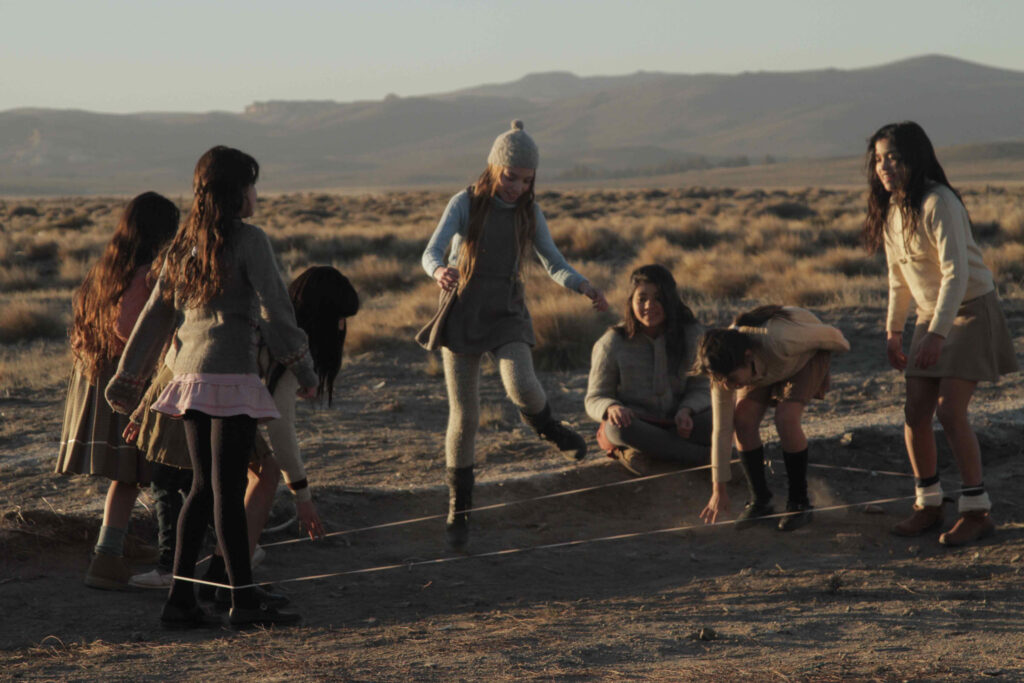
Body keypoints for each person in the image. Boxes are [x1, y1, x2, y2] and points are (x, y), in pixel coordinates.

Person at [106, 145, 318, 629]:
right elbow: (277, 313)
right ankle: (242, 602)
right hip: (231, 378)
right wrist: (304, 370)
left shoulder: (182, 246)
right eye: (251, 185)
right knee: (223, 490)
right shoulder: (250, 241)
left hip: (188, 379)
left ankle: (181, 601)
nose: (255, 194)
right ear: (236, 192)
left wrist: (127, 381)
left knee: (203, 488)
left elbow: (157, 317)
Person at [419, 120, 609, 549]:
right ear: (494, 167)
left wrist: (583, 286)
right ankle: (459, 508)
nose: (517, 187)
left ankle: (547, 428)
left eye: (526, 180)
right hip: (462, 313)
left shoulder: (529, 211)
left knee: (522, 384)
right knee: (464, 416)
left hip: (507, 313)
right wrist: (439, 270)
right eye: (510, 177)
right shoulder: (464, 204)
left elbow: (554, 262)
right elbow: (430, 252)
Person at [127, 265, 359, 595]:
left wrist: (143, 406)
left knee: (236, 480)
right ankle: (223, 578)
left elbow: (174, 354)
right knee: (235, 481)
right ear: (323, 313)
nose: (342, 326)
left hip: (186, 392)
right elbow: (281, 429)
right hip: (196, 399)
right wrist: (303, 498)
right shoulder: (291, 342)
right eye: (340, 316)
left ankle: (224, 574)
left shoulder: (268, 319)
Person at [865, 121, 1018, 546]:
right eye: (878, 160)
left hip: (969, 310)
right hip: (930, 317)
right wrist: (894, 331)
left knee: (951, 412)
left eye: (893, 157)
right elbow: (898, 278)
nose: (884, 167)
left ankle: (976, 510)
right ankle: (928, 504)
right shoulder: (894, 211)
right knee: (914, 412)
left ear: (915, 158)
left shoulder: (939, 201)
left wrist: (936, 333)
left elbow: (957, 272)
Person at [56, 191, 180, 590]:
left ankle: (119, 543)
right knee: (128, 474)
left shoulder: (105, 270)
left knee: (128, 473)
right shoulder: (145, 274)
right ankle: (106, 559)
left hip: (96, 377)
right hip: (124, 381)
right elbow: (129, 331)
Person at [694, 306, 850, 531]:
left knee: (786, 418)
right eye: (722, 381)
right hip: (765, 369)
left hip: (805, 357)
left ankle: (799, 503)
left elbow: (833, 336)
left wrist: (826, 368)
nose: (728, 386)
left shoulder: (780, 338)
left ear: (748, 357)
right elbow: (721, 429)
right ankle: (761, 501)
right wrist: (719, 490)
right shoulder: (721, 367)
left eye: (732, 379)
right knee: (743, 421)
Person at [585, 264, 711, 477]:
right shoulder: (612, 342)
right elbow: (595, 397)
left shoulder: (693, 335)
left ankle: (641, 453)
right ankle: (703, 458)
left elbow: (703, 387)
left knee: (720, 418)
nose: (649, 305)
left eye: (658, 298)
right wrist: (612, 408)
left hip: (680, 424)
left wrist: (687, 410)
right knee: (617, 429)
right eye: (642, 298)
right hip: (637, 424)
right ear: (631, 301)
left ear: (670, 300)